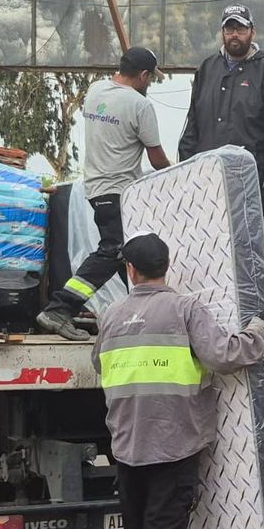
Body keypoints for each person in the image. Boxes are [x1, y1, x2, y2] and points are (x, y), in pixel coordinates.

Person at [92, 233, 264, 529]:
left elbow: (98, 363)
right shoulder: (184, 309)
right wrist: (263, 326)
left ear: (131, 271)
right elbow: (225, 355)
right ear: (165, 268)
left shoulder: (112, 315)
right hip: (174, 445)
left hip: (126, 445)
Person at [38, 46, 171, 341]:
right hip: (120, 192)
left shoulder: (96, 90)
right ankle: (60, 307)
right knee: (114, 252)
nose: (149, 85)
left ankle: (141, 317)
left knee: (129, 253)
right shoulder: (140, 106)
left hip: (96, 189)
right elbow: (156, 159)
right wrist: (181, 176)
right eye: (150, 79)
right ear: (144, 75)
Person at [178, 4, 264, 238]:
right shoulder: (207, 69)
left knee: (249, 247)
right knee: (206, 242)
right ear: (222, 32)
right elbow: (192, 122)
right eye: (229, 29)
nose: (235, 35)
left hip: (250, 180)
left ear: (252, 31)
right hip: (207, 180)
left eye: (240, 28)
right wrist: (184, 166)